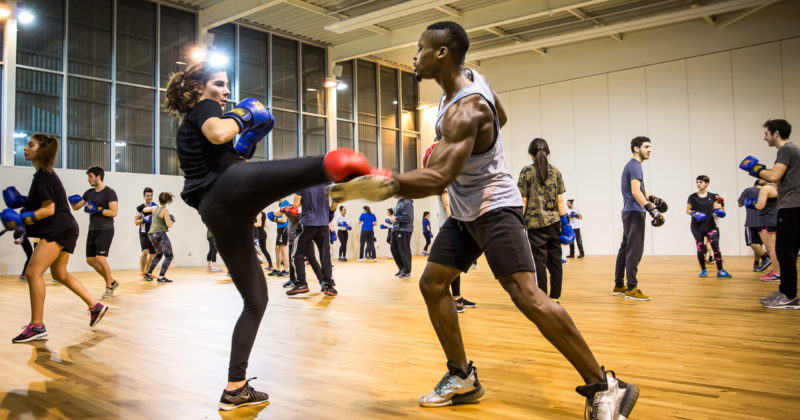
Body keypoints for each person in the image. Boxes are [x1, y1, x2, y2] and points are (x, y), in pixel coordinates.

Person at [328, 21, 638, 417]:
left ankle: (606, 385)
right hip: (463, 211)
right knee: (433, 284)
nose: (415, 56)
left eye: (421, 48)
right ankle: (462, 377)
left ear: (441, 53)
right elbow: (502, 119)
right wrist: (472, 147)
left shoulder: (467, 108)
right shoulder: (470, 81)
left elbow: (439, 177)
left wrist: (382, 184)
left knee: (527, 295)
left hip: (495, 207)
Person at [162, 60, 377, 409]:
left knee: (256, 300)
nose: (226, 92)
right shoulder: (204, 110)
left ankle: (235, 387)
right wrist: (245, 116)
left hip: (219, 211)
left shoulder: (194, 127)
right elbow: (219, 134)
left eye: (227, 86)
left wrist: (247, 137)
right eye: (219, 84)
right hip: (227, 189)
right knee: (319, 164)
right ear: (199, 89)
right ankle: (354, 170)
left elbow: (228, 153)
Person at [2, 134, 108, 343]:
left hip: (58, 229)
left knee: (33, 273)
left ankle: (37, 326)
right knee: (59, 273)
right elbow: (44, 202)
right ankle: (95, 306)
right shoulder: (42, 175)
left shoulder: (45, 176)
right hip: (66, 227)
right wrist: (22, 201)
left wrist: (23, 218)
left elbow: (49, 209)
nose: (25, 148)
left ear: (41, 150)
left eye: (30, 145)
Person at [741, 119, 800, 309]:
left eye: (766, 133)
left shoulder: (786, 150)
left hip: (792, 206)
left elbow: (774, 176)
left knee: (785, 251)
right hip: (792, 205)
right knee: (786, 251)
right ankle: (785, 291)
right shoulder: (791, 151)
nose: (764, 137)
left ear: (776, 133)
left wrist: (756, 169)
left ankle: (789, 295)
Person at [517, 137, 573, 302]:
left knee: (539, 262)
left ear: (530, 154)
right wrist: (566, 223)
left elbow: (523, 201)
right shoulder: (555, 171)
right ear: (547, 152)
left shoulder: (526, 172)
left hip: (534, 224)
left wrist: (519, 223)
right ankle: (555, 297)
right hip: (554, 223)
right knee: (555, 261)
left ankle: (542, 298)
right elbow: (560, 201)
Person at [613, 136, 665, 302]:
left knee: (625, 248)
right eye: (646, 146)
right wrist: (652, 209)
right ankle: (632, 289)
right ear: (636, 148)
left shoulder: (631, 166)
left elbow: (639, 190)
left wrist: (654, 199)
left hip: (629, 211)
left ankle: (619, 285)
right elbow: (636, 192)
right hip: (635, 212)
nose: (649, 149)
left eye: (650, 147)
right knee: (634, 251)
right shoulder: (635, 166)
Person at [69, 166, 119, 299]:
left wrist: (97, 210)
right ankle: (112, 281)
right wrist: (72, 202)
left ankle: (109, 287)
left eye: (90, 176)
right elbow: (77, 207)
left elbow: (113, 212)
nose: (88, 179)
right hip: (93, 229)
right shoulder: (89, 193)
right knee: (90, 260)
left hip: (106, 229)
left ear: (98, 177)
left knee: (100, 259)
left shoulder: (110, 193)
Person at [287, 182, 337, 296]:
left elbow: (296, 204)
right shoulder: (328, 183)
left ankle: (301, 283)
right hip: (323, 225)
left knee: (297, 254)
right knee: (325, 255)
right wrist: (328, 214)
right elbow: (335, 202)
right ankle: (328, 285)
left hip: (308, 224)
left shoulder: (303, 183)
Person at [686, 175, 731, 278]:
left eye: (701, 182)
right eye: (697, 182)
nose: (698, 184)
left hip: (711, 225)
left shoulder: (712, 196)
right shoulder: (692, 197)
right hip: (697, 227)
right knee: (700, 248)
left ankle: (720, 270)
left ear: (706, 183)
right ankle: (703, 270)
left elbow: (715, 208)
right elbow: (687, 210)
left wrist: (719, 211)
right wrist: (695, 213)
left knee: (716, 248)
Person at [144, 192, 176, 283]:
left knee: (159, 254)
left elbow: (145, 209)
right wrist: (172, 219)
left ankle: (148, 273)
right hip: (159, 234)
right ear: (168, 201)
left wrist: (151, 210)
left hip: (151, 234)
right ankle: (161, 277)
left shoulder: (154, 208)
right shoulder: (165, 211)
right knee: (169, 256)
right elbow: (169, 225)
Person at [737, 182, 769, 272]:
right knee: (758, 243)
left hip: (751, 221)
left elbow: (740, 204)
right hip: (764, 221)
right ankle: (756, 264)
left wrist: (749, 202)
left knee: (751, 242)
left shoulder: (749, 190)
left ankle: (765, 258)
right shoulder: (769, 191)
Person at [752, 181, 780, 282]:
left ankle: (777, 273)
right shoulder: (778, 187)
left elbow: (760, 206)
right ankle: (778, 271)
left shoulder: (766, 188)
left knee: (771, 249)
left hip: (767, 220)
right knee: (776, 248)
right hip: (777, 218)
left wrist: (754, 203)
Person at [389, 197, 414, 279]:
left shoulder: (407, 203)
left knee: (404, 250)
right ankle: (402, 269)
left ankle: (407, 271)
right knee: (394, 249)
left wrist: (395, 218)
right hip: (396, 229)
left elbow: (407, 217)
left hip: (404, 229)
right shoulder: (399, 202)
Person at [135, 187, 157, 280]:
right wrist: (144, 220)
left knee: (153, 254)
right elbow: (136, 222)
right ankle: (142, 272)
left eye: (151, 195)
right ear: (144, 196)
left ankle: (147, 272)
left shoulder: (155, 206)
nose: (149, 197)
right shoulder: (140, 208)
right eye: (147, 195)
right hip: (143, 232)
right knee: (145, 252)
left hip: (153, 232)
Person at [269, 200, 290, 277]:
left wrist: (273, 219)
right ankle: (277, 269)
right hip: (280, 228)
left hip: (284, 228)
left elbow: (284, 220)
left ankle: (286, 269)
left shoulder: (285, 203)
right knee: (277, 248)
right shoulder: (281, 204)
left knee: (283, 248)